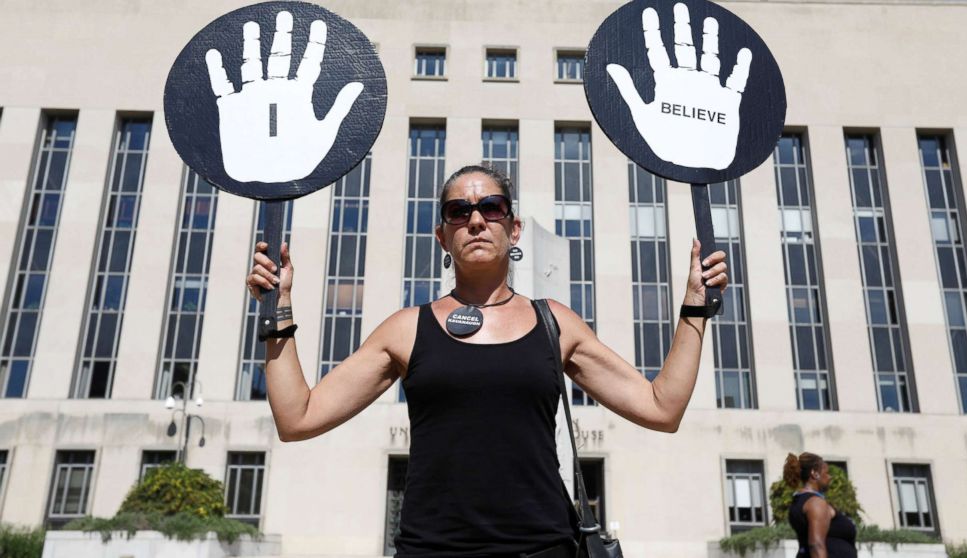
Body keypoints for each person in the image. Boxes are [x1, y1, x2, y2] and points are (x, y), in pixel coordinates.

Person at [246, 164, 728, 557]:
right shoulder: (406, 328)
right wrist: (278, 307)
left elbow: (662, 408)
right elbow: (297, 417)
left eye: (490, 207)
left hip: (542, 549)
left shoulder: (554, 323)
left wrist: (694, 307)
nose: (475, 220)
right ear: (442, 236)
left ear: (512, 226)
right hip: (432, 551)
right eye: (458, 211)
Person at [784, 452, 858, 558]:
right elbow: (816, 545)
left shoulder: (800, 500)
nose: (830, 477)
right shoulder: (815, 503)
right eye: (827, 472)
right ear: (814, 473)